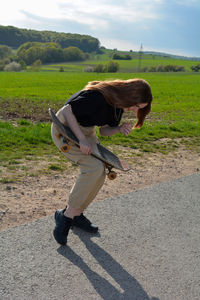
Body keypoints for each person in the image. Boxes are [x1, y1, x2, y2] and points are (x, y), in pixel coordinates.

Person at [51, 78, 153, 245]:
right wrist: (82, 139)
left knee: (100, 171)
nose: (134, 110)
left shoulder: (119, 107)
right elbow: (67, 110)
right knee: (92, 168)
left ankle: (76, 214)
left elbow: (104, 131)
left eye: (138, 108)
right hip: (65, 128)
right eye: (136, 105)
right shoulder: (98, 96)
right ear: (130, 94)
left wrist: (118, 129)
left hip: (86, 132)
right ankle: (66, 216)